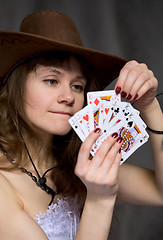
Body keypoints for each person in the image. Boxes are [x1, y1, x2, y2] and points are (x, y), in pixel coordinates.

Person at [0, 10, 162, 240]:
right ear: (16, 87)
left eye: (77, 86)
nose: (69, 97)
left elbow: (161, 191)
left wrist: (150, 106)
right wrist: (100, 199)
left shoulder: (76, 162)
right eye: (52, 80)